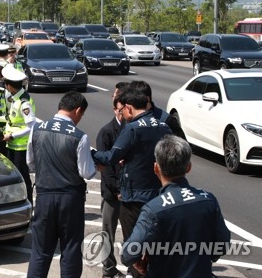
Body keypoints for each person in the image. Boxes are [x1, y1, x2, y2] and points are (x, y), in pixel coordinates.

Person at [121, 135, 231, 277]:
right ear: (189, 167)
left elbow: (128, 254)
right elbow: (222, 244)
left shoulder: (153, 209)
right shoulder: (208, 200)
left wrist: (138, 262)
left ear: (156, 168)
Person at [92, 87, 172, 278]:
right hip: (159, 195)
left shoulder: (132, 128)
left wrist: (92, 154)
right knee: (155, 245)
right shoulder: (163, 126)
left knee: (134, 246)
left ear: (128, 108)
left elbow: (112, 156)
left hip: (134, 197)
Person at [26, 91, 96, 278]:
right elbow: (86, 172)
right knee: (71, 251)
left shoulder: (37, 129)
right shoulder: (79, 136)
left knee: (40, 252)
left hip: (44, 197)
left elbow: (31, 163)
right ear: (78, 110)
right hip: (70, 200)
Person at [0, 64, 36, 203]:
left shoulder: (24, 102)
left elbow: (31, 126)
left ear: (9, 85)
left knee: (22, 177)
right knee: (11, 175)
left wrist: (12, 136)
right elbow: (13, 119)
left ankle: (28, 203)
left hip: (20, 146)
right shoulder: (15, 98)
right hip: (12, 144)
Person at [97, 82, 129, 278]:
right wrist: (117, 189)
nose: (121, 114)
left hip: (129, 191)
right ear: (114, 108)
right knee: (108, 231)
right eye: (118, 110)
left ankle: (133, 265)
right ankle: (108, 269)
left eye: (124, 110)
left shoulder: (131, 129)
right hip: (112, 192)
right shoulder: (106, 132)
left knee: (131, 232)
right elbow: (105, 165)